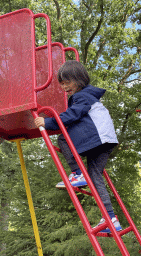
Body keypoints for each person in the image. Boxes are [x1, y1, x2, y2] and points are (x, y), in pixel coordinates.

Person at [34, 60, 122, 233]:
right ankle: (111, 218)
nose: (64, 87)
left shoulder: (82, 96)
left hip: (98, 136)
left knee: (63, 139)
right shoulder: (88, 97)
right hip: (106, 139)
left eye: (67, 82)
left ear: (79, 79)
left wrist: (47, 121)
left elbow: (71, 115)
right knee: (95, 175)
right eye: (62, 84)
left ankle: (77, 173)